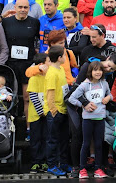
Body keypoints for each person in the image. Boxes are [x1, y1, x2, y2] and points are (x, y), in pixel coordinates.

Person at [67, 60, 111, 179]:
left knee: (98, 144)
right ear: (90, 72)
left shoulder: (104, 84)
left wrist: (108, 98)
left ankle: (98, 168)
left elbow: (110, 94)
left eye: (100, 70)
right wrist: (83, 105)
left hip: (100, 118)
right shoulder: (84, 85)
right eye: (95, 70)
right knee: (86, 144)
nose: (98, 72)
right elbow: (71, 98)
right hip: (88, 119)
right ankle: (82, 169)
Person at [2, 0, 40, 120]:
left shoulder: (34, 22)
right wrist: (2, 16)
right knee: (9, 95)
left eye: (25, 7)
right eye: (20, 7)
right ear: (15, 8)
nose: (23, 10)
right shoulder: (7, 22)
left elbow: (39, 40)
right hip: (10, 63)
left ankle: (28, 128)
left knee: (26, 97)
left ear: (29, 8)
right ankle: (9, 124)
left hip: (27, 63)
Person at [43, 45, 71, 176]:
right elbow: (50, 94)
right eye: (64, 55)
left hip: (63, 109)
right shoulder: (52, 73)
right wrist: (54, 110)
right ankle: (52, 165)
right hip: (55, 111)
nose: (66, 58)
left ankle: (63, 163)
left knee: (64, 139)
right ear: (60, 58)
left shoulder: (60, 69)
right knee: (52, 140)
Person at [27, 52, 48, 174]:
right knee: (36, 138)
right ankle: (35, 162)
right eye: (47, 63)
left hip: (47, 114)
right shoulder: (34, 78)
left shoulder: (49, 77)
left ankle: (44, 161)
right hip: (36, 115)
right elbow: (33, 97)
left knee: (46, 137)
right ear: (41, 65)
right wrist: (41, 112)